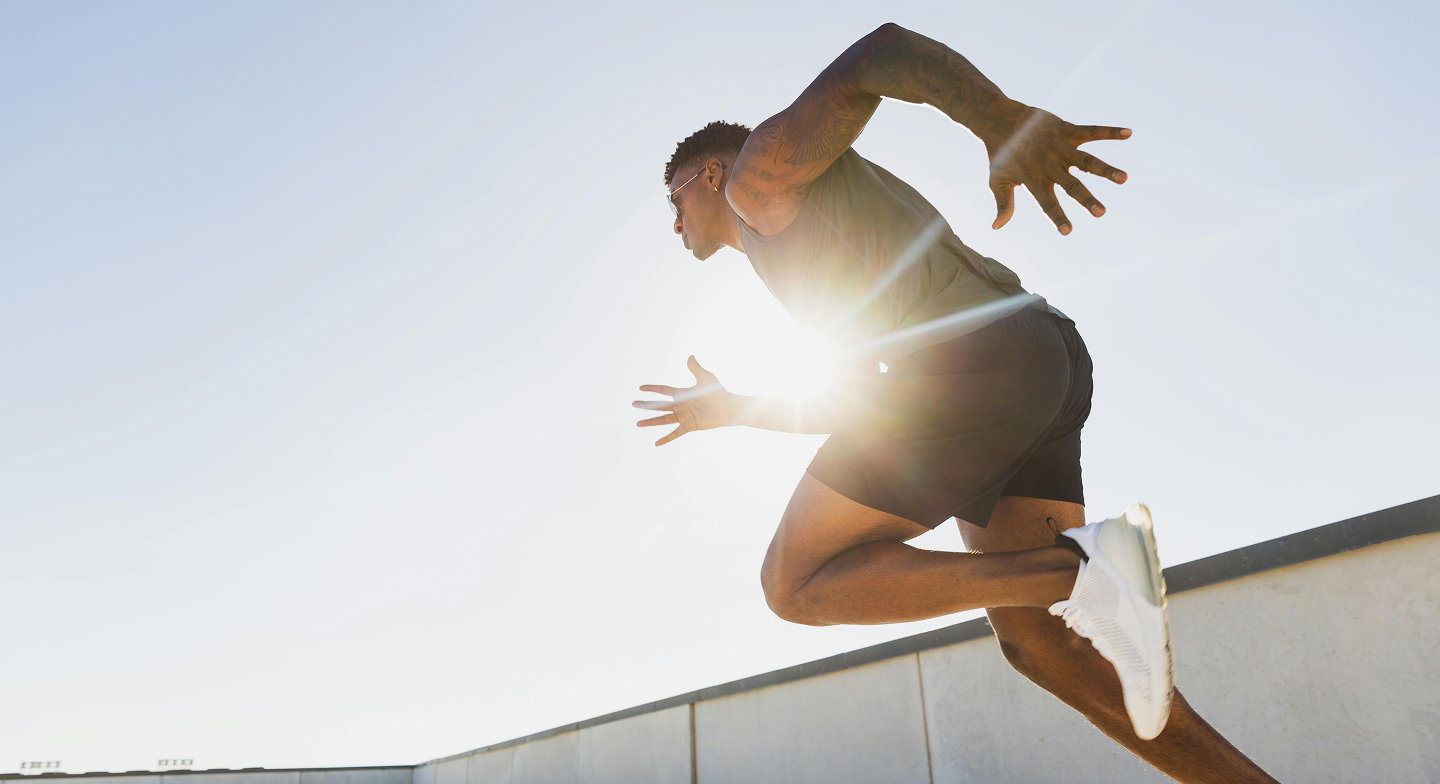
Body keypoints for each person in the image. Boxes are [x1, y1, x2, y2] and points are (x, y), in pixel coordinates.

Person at [633, 23, 1278, 783]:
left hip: (973, 364)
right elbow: (867, 406)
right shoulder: (796, 254)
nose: (674, 225)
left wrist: (998, 120)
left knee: (794, 583)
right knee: (1038, 647)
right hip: (1031, 361)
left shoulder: (756, 180)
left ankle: (1085, 571)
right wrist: (740, 409)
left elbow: (877, 55)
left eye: (672, 201)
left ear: (708, 174)